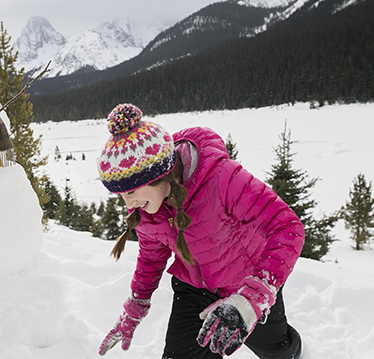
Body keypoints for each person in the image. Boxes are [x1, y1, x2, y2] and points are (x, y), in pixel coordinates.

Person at [96, 103, 304, 359]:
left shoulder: (222, 179)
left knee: (278, 352)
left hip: (248, 283)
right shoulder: (147, 211)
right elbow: (151, 258)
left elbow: (287, 227)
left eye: (130, 192)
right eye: (121, 196)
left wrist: (251, 299)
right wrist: (136, 305)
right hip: (194, 289)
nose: (128, 204)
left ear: (158, 174)